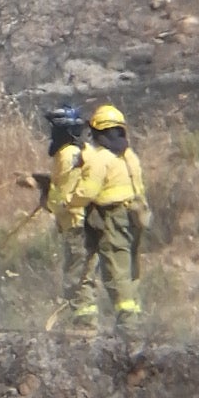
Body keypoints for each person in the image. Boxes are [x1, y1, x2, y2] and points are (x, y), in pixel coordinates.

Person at [70, 104, 148, 333]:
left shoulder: (100, 159)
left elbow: (87, 192)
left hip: (112, 217)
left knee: (116, 271)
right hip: (135, 215)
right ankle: (133, 318)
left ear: (96, 132)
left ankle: (128, 325)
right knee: (131, 268)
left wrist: (67, 202)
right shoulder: (129, 156)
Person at [41, 105, 96, 332]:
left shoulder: (66, 155)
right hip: (91, 223)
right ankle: (86, 323)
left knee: (76, 278)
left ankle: (81, 326)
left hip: (75, 224)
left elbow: (62, 197)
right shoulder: (85, 151)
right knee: (86, 276)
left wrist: (47, 201)